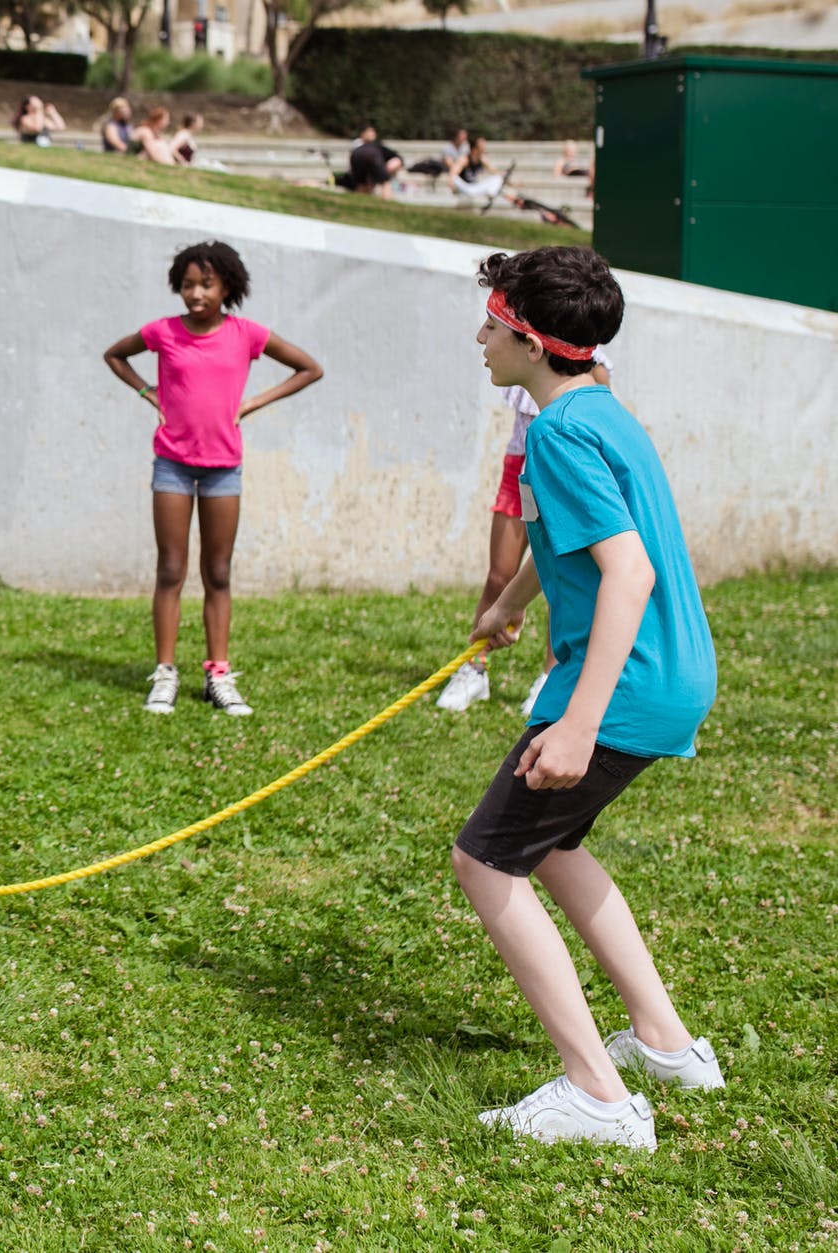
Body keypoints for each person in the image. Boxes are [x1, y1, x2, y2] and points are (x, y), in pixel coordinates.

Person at [457, 246, 722, 1150]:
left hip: (618, 686)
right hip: (672, 676)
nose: (481, 336)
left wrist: (576, 721)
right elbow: (582, 535)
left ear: (529, 340)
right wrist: (509, 604)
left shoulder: (559, 434)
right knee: (557, 846)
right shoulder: (598, 413)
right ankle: (667, 1042)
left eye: (492, 322)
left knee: (487, 862)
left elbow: (628, 570)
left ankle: (598, 1095)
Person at [101, 241, 323, 716]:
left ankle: (217, 675)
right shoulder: (162, 332)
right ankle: (165, 674)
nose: (196, 294)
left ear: (227, 286)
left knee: (218, 573)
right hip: (172, 465)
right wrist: (148, 392)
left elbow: (309, 368)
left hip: (223, 467)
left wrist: (250, 404)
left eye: (206, 284)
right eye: (187, 285)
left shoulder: (247, 334)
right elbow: (115, 355)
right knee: (171, 569)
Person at [438, 347, 616, 717]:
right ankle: (474, 668)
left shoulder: (591, 364)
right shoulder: (524, 349)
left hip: (562, 470)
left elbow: (601, 426)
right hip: (520, 465)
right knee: (499, 574)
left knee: (561, 579)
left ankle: (551, 677)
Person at [346, 123, 403, 197]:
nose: (372, 134)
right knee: (384, 182)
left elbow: (396, 159)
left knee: (363, 184)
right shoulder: (364, 146)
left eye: (372, 132)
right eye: (369, 132)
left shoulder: (375, 145)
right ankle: (386, 199)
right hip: (371, 162)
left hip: (371, 165)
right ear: (363, 134)